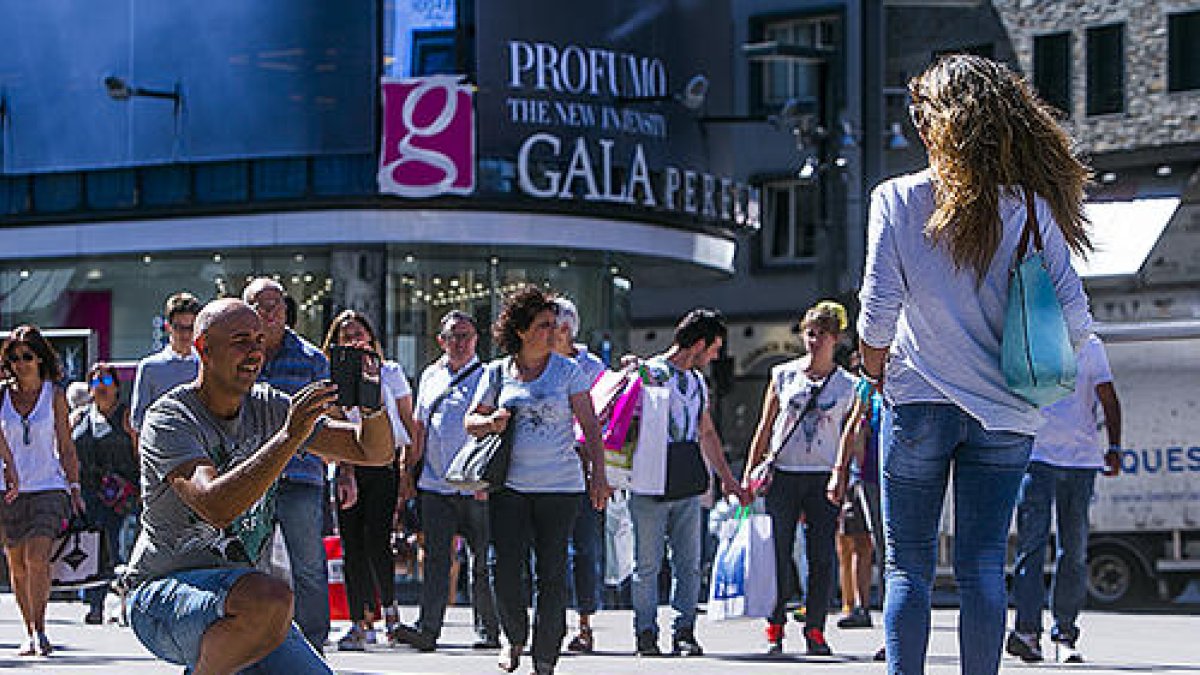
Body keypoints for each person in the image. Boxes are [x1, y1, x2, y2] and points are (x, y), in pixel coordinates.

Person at [857, 54, 1094, 674]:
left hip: (917, 401)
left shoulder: (898, 198)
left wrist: (875, 371)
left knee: (907, 567)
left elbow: (878, 314)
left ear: (933, 123)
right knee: (985, 565)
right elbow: (1078, 321)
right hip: (1005, 411)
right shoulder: (1032, 209)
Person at [121, 298, 395, 673]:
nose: (254, 352)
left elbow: (372, 452)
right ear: (204, 348)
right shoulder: (170, 418)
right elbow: (216, 507)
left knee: (269, 604)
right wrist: (287, 438)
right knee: (270, 598)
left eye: (259, 340)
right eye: (240, 341)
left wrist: (371, 402)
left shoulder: (268, 405)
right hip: (162, 596)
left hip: (244, 603)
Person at [465, 286, 612, 675]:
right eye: (544, 325)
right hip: (509, 487)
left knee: (552, 572)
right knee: (504, 568)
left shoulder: (568, 371)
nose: (554, 331)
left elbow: (590, 426)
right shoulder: (497, 372)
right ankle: (514, 637)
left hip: (561, 487)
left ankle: (545, 656)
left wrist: (599, 474)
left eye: (555, 324)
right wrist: (491, 421)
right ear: (521, 330)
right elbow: (470, 421)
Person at [628, 308, 751, 658]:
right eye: (714, 348)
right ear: (698, 345)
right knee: (647, 564)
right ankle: (645, 632)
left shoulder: (696, 382)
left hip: (685, 479)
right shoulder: (649, 373)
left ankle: (684, 630)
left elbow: (706, 432)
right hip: (649, 479)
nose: (715, 356)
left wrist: (728, 479)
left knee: (689, 563)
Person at [742, 301, 858, 656]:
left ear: (836, 339)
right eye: (810, 333)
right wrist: (749, 473)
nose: (813, 340)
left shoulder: (848, 385)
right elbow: (765, 426)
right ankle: (775, 625)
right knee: (777, 552)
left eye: (821, 334)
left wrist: (841, 472)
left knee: (821, 556)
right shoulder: (783, 375)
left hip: (822, 476)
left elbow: (850, 434)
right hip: (784, 473)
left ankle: (815, 628)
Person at [1007, 334, 1122, 664]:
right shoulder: (1030, 336)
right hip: (1038, 457)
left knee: (1070, 550)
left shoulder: (1090, 345)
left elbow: (1108, 397)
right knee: (1037, 548)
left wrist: (1114, 446)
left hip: (1079, 461)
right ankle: (1030, 632)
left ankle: (1061, 633)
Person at [390, 310, 500, 653]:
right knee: (436, 560)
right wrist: (407, 472)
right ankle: (428, 629)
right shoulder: (430, 376)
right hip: (435, 484)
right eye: (453, 336)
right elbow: (418, 428)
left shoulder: (489, 376)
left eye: (466, 336)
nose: (460, 343)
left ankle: (488, 630)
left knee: (482, 562)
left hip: (475, 486)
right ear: (441, 341)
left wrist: (490, 482)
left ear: (477, 340)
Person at [243, 277, 332, 651]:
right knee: (249, 564)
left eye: (276, 304)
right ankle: (251, 640)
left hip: (300, 474)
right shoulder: (239, 356)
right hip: (249, 478)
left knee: (308, 564)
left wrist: (343, 473)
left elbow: (330, 419)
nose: (269, 312)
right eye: (260, 304)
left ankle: (313, 644)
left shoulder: (312, 359)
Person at [320, 310, 413, 651]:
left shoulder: (390, 372)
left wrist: (407, 469)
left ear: (371, 338)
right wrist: (345, 470)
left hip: (385, 462)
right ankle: (360, 619)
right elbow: (333, 424)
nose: (354, 340)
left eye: (359, 334)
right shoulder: (332, 377)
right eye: (346, 336)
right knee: (352, 544)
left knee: (378, 541)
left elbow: (408, 422)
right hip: (350, 464)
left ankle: (390, 612)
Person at [0, 325, 84, 656]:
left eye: (27, 356)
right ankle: (28, 630)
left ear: (39, 359)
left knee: (37, 557)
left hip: (48, 485)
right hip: (8, 489)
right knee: (17, 564)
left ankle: (41, 629)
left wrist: (74, 486)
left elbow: (66, 446)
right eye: (14, 358)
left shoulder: (55, 395)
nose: (20, 364)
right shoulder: (1, 396)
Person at [551, 296, 609, 654]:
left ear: (565, 330)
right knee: (548, 551)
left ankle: (584, 624)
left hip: (582, 468)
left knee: (584, 549)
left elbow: (603, 418)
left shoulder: (592, 367)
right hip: (546, 468)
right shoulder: (537, 363)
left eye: (550, 326)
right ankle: (550, 623)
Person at [73, 362, 139, 625]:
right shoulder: (80, 418)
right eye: (95, 381)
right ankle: (95, 604)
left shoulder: (126, 416)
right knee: (93, 549)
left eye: (107, 381)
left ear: (117, 388)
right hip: (90, 493)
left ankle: (126, 606)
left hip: (122, 496)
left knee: (118, 547)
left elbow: (139, 453)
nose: (101, 387)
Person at [828, 374, 888, 661]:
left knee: (890, 553)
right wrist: (841, 471)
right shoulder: (867, 389)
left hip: (898, 477)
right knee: (880, 551)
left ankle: (896, 629)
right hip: (872, 479)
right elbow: (853, 429)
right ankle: (887, 627)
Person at [131, 292, 202, 434]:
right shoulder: (149, 367)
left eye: (190, 328)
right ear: (167, 326)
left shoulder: (206, 365)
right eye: (179, 327)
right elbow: (137, 420)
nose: (185, 334)